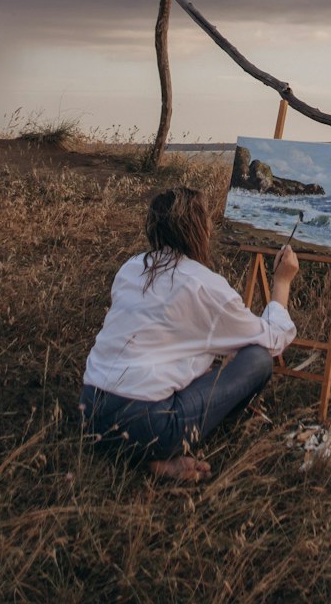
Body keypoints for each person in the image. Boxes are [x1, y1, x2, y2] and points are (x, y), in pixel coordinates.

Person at [79, 186, 300, 482]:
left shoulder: (131, 267)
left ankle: (145, 459)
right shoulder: (204, 285)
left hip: (91, 412)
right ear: (198, 229)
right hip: (151, 427)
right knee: (258, 359)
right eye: (207, 221)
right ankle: (158, 454)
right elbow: (275, 339)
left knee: (191, 361)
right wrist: (281, 282)